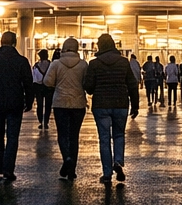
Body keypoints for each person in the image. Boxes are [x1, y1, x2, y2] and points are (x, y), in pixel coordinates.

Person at [83, 34, 139, 184]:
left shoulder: (94, 64)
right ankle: (118, 161)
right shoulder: (123, 62)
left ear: (99, 46)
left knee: (104, 139)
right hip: (121, 103)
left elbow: (88, 87)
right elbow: (132, 85)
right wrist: (135, 105)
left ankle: (107, 173)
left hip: (101, 105)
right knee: (119, 135)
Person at [0, 32, 31, 182]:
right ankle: (9, 168)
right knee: (13, 136)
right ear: (14, 43)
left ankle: (0, 164)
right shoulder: (21, 61)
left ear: (1, 42)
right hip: (15, 103)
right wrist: (29, 101)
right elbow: (28, 83)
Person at [44, 38, 88, 179]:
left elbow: (47, 81)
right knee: (74, 136)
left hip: (60, 103)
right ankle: (72, 169)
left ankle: (66, 158)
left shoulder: (56, 64)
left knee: (62, 134)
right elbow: (86, 83)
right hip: (78, 103)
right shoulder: (83, 65)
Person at [33, 49, 55, 129]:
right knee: (48, 105)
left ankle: (40, 121)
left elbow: (34, 78)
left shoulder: (36, 66)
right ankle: (46, 122)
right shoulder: (51, 65)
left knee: (40, 104)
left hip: (39, 87)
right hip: (49, 87)